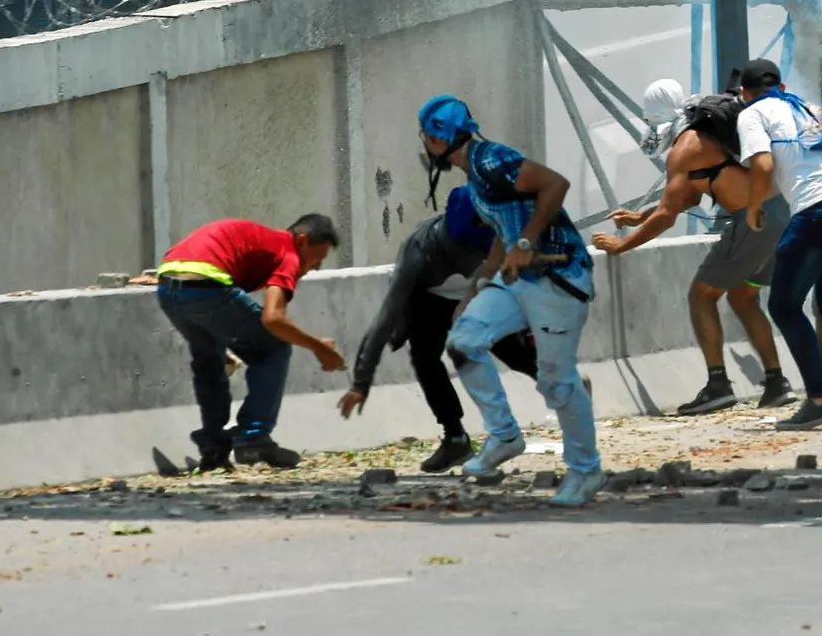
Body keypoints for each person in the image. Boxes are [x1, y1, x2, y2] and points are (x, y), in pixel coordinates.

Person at [419, 94, 605, 507]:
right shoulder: (476, 174)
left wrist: (527, 240)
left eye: (426, 137)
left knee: (557, 380)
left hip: (558, 278)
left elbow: (555, 184)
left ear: (437, 139)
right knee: (464, 341)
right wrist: (473, 289)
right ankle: (504, 436)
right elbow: (504, 234)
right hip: (518, 279)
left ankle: (586, 470)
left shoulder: (491, 160)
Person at [591, 79, 796, 414]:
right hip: (778, 215)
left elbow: (668, 216)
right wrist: (641, 216)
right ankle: (776, 383)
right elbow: (692, 191)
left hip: (753, 220)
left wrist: (620, 245)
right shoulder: (706, 135)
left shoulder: (683, 149)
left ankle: (718, 386)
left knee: (701, 295)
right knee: (743, 296)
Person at [338, 188, 540, 473]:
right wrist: (361, 381)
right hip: (430, 299)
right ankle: (455, 437)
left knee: (512, 350)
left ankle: (559, 384)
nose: (476, 256)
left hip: (480, 293)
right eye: (468, 251)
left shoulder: (509, 228)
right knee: (425, 359)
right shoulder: (418, 253)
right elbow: (385, 319)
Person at [737, 58, 822, 429]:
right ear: (780, 86)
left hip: (815, 214)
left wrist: (752, 209)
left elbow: (763, 167)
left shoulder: (751, 114)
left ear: (744, 93)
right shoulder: (814, 109)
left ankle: (820, 398)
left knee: (783, 306)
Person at [156, 214, 346, 471]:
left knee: (210, 361)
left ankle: (213, 447)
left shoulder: (264, 241)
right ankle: (253, 437)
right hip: (208, 285)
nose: (315, 267)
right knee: (274, 347)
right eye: (317, 258)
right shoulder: (288, 252)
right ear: (302, 241)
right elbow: (274, 319)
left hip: (168, 287)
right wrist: (320, 348)